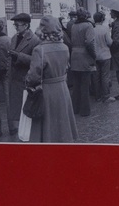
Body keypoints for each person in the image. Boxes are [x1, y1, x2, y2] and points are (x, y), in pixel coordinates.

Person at [24, 15, 78, 143]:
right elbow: (66, 67)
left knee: (47, 123)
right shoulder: (64, 47)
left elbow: (33, 76)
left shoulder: (39, 50)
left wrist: (27, 82)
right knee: (62, 120)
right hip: (62, 89)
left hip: (47, 90)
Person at [7, 12, 41, 136]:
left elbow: (37, 60)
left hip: (26, 79)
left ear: (26, 26)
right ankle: (20, 132)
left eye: (17, 25)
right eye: (15, 25)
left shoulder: (35, 40)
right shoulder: (14, 38)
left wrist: (19, 56)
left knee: (26, 109)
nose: (16, 27)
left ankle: (28, 134)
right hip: (15, 78)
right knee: (16, 110)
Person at [67, 7, 96, 117]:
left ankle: (75, 108)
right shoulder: (88, 26)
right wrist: (94, 55)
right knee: (85, 85)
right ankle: (85, 110)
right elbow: (89, 42)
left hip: (74, 55)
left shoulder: (74, 26)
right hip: (85, 56)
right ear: (86, 15)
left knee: (76, 85)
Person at [91, 11, 114, 103]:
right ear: (102, 19)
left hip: (95, 56)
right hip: (105, 55)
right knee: (105, 76)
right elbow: (109, 42)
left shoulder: (91, 29)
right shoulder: (105, 29)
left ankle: (98, 96)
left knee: (96, 77)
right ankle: (106, 96)